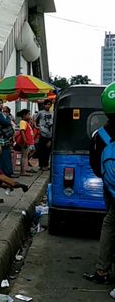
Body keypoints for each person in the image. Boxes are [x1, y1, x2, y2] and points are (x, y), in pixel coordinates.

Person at [84, 83, 115, 285]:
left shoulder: (100, 136)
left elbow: (96, 168)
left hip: (111, 189)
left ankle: (102, 271)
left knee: (110, 224)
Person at [35, 99, 54, 171]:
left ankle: (45, 165)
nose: (48, 106)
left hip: (50, 134)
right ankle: (41, 165)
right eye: (46, 104)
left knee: (47, 151)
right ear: (44, 105)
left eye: (49, 104)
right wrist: (38, 128)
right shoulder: (40, 113)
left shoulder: (53, 113)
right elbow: (34, 121)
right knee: (41, 150)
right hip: (42, 134)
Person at [17, 109, 35, 176]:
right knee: (23, 157)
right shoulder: (22, 122)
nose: (30, 116)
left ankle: (24, 170)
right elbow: (22, 131)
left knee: (25, 156)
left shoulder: (26, 122)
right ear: (24, 115)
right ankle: (22, 171)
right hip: (24, 142)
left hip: (27, 142)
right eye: (28, 114)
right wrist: (25, 141)